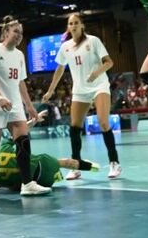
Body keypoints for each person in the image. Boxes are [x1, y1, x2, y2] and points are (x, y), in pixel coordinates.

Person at [0, 16, 49, 196]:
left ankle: (27, 183)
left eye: (21, 33)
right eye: (16, 31)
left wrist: (30, 107)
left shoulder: (19, 55)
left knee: (23, 141)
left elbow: (21, 83)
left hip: (15, 105)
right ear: (6, 32)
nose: (19, 35)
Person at [41, 12, 119, 179]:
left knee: (103, 122)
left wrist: (96, 73)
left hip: (99, 85)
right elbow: (60, 69)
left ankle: (114, 163)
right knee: (75, 126)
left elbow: (109, 62)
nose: (74, 25)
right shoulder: (65, 47)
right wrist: (50, 90)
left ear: (82, 25)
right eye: (71, 23)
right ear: (68, 27)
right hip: (80, 90)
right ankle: (75, 165)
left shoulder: (93, 41)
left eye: (76, 22)